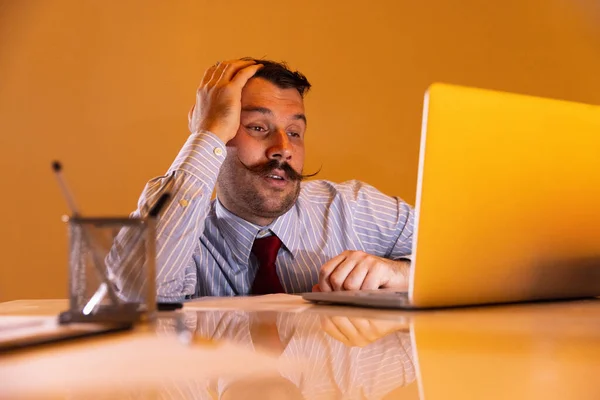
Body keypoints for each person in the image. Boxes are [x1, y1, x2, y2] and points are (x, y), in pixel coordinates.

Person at [123, 58, 414, 301]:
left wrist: (400, 274)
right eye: (259, 127)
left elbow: (456, 263)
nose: (283, 149)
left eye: (295, 132)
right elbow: (137, 295)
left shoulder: (354, 208)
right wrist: (206, 133)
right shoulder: (183, 235)